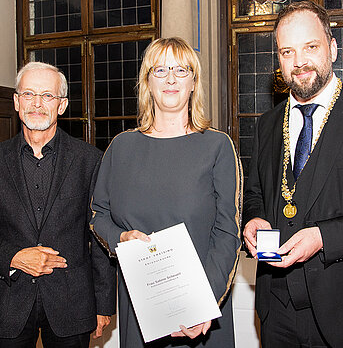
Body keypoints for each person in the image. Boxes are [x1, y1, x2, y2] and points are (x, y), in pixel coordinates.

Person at [90, 37, 242, 348]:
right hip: (140, 312)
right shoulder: (121, 147)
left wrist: (203, 303)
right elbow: (98, 215)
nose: (170, 79)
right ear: (147, 81)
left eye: (181, 70)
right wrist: (120, 237)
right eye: (160, 70)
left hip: (201, 316)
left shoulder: (217, 146)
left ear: (193, 82)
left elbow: (228, 232)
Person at [243, 1, 343, 347]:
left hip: (341, 310)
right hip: (276, 311)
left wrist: (323, 237)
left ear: (333, 49)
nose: (299, 62)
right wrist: (254, 219)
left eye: (310, 47)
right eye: (287, 51)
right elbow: (257, 194)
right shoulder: (267, 125)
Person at [0, 62, 116, 347]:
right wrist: (11, 258)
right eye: (28, 94)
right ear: (16, 102)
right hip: (7, 303)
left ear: (61, 105)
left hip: (72, 303)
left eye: (47, 96)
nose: (37, 104)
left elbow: (99, 233)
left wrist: (103, 303)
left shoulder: (90, 160)